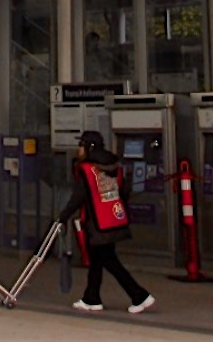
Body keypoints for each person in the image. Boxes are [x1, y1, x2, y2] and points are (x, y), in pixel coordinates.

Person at [56, 130, 155, 314]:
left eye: (81, 145)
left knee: (109, 261)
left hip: (97, 223)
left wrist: (63, 215)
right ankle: (92, 298)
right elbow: (123, 192)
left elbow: (79, 196)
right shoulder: (114, 165)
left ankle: (139, 295)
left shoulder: (86, 169)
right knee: (97, 261)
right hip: (114, 218)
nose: (79, 149)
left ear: (89, 147)